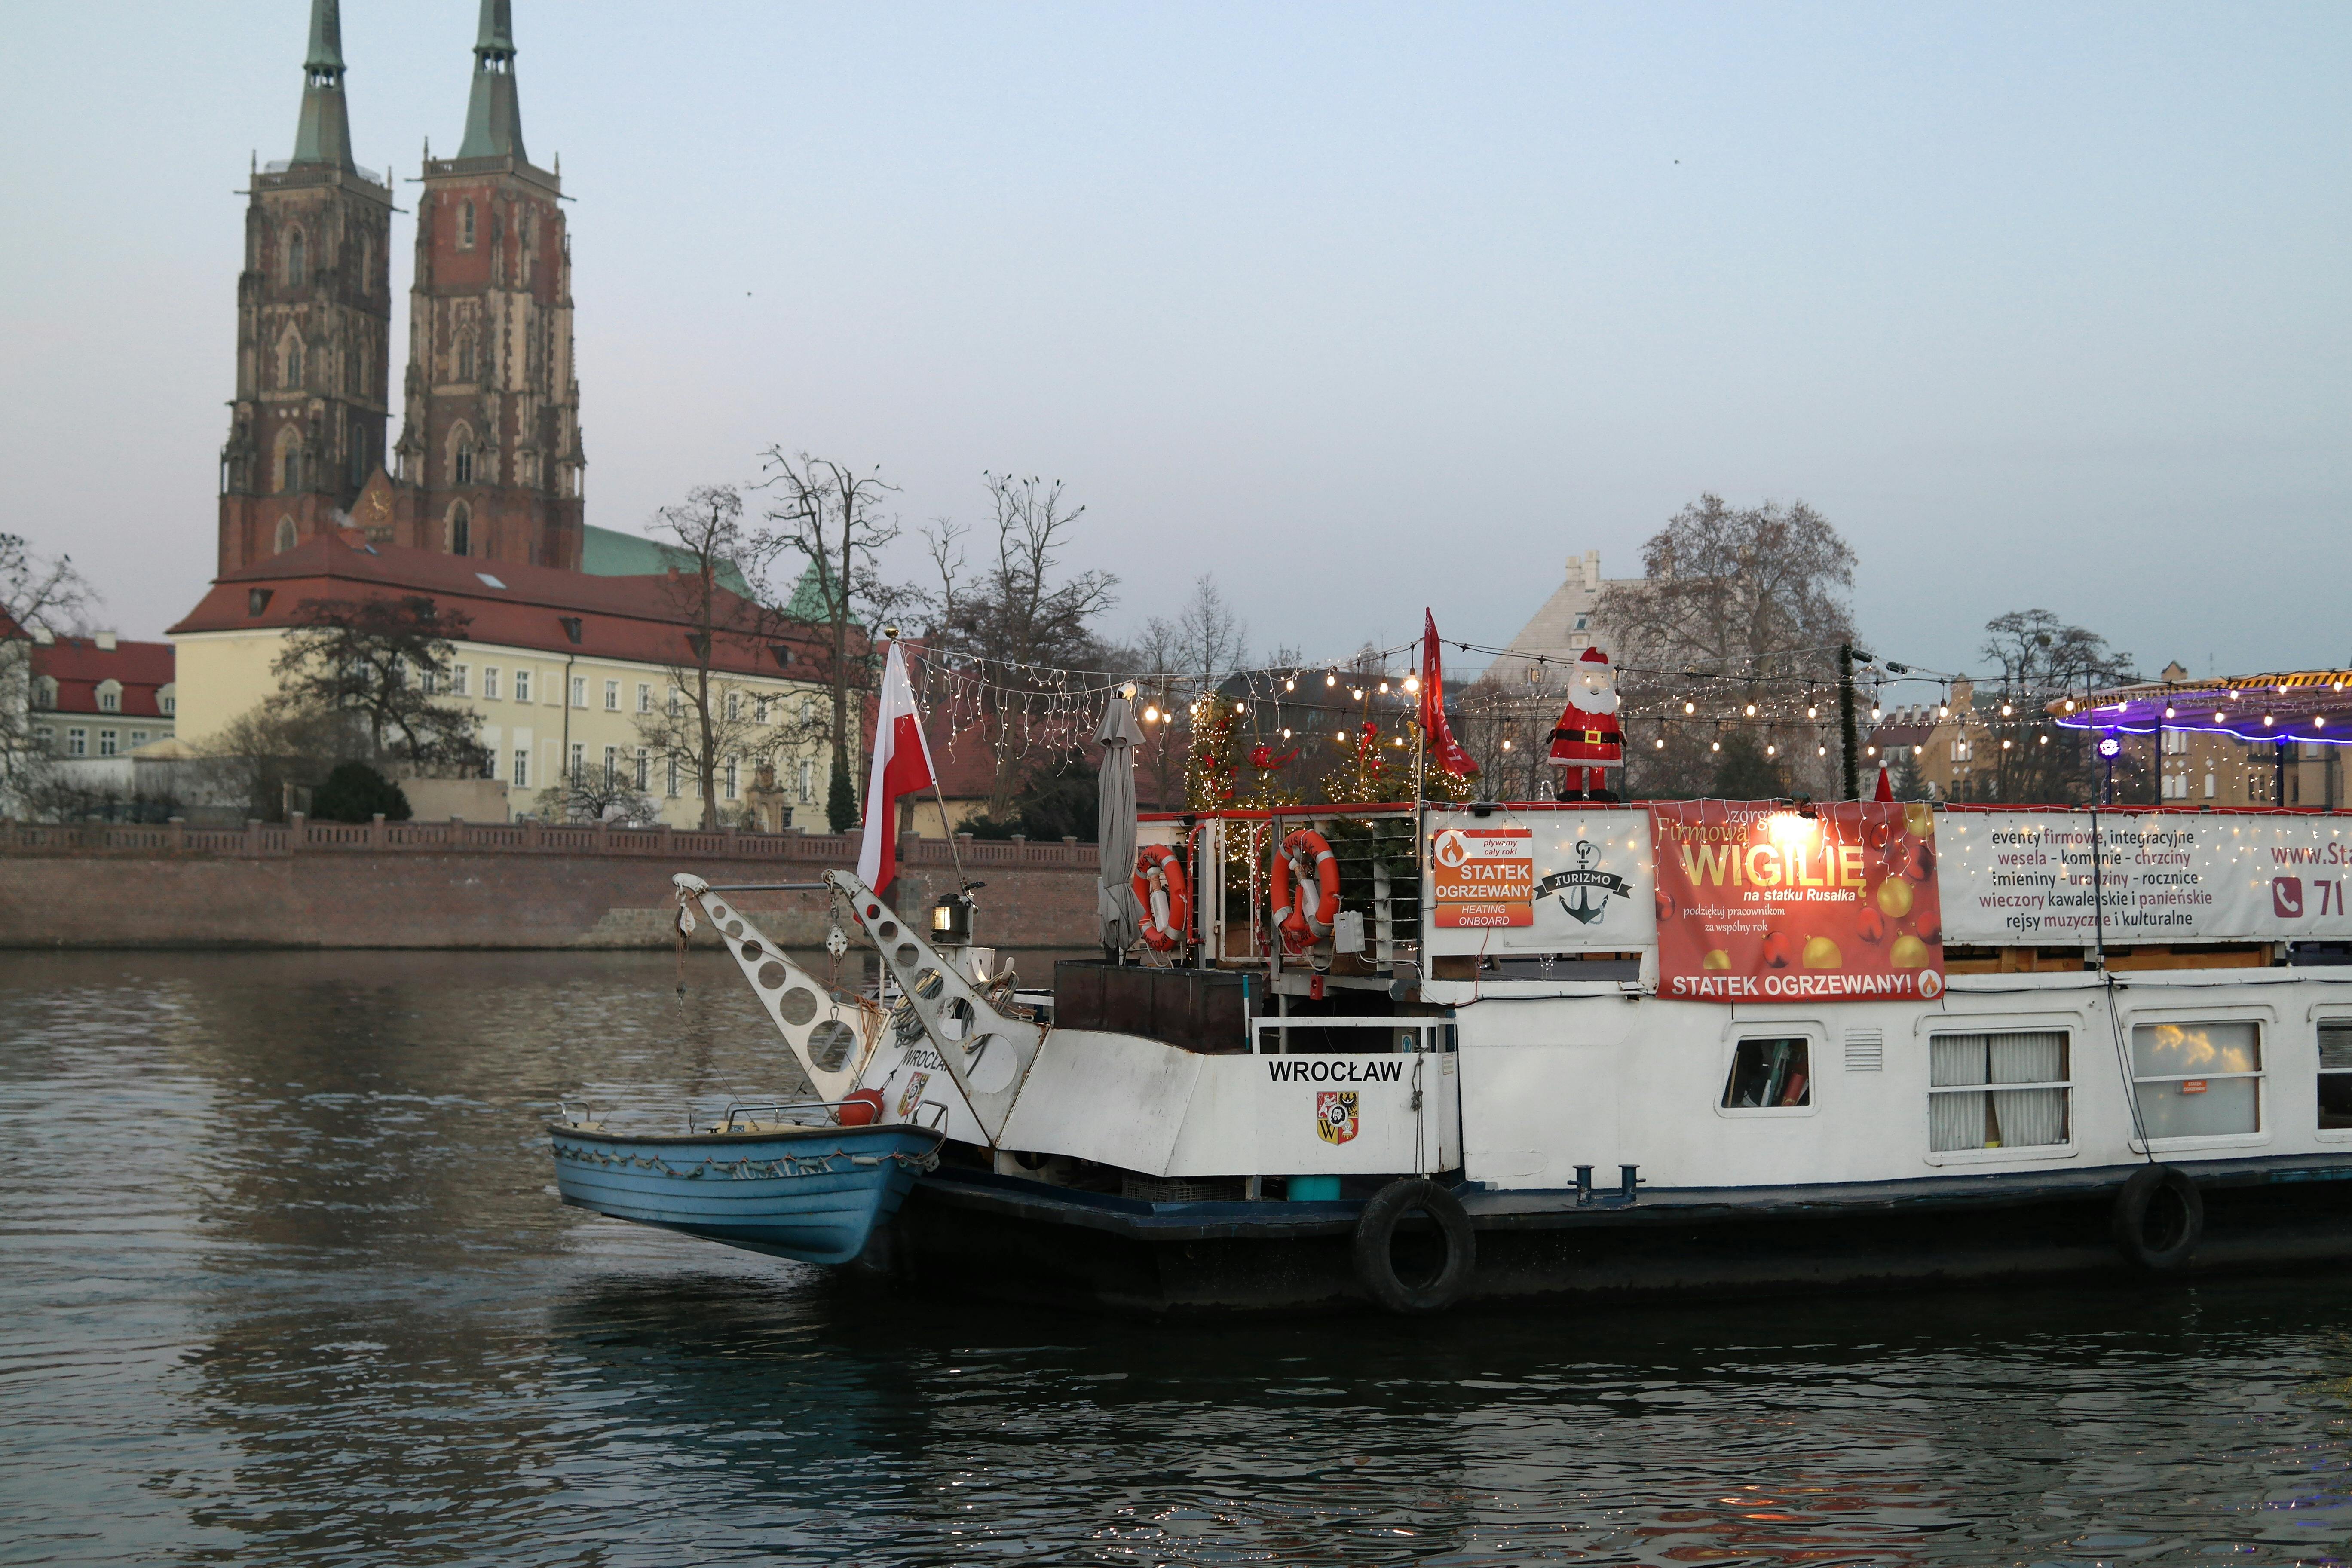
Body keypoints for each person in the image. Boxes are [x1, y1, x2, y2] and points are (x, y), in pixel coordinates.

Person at [1547, 646, 1624, 802]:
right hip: (1576, 742)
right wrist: (1557, 731)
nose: (1595, 686)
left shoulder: (1606, 707)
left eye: (1601, 679)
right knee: (1574, 763)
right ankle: (1573, 790)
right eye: (1589, 679)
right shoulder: (1577, 704)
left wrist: (1619, 733)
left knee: (1597, 764)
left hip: (1597, 744)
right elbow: (1565, 720)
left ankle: (1598, 789)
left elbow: (1613, 724)